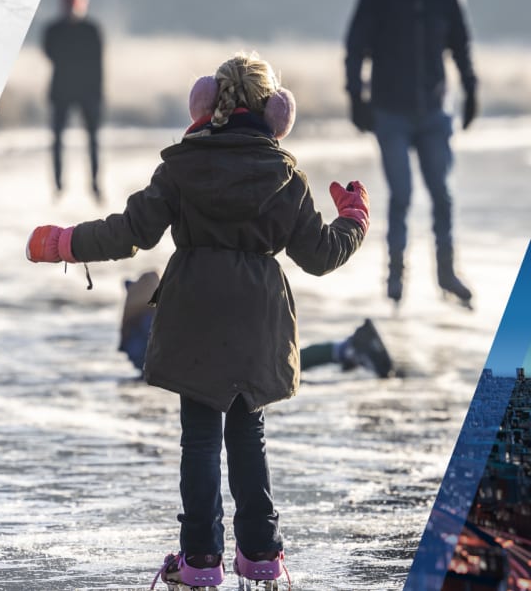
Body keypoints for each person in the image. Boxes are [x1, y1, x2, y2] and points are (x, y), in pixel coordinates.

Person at [26, 53, 369, 589]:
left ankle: (201, 559)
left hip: (195, 313)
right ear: (274, 112)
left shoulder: (182, 166)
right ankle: (261, 554)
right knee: (249, 436)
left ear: (207, 103)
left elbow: (129, 231)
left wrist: (66, 242)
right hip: (257, 318)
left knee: (201, 440)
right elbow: (321, 255)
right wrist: (354, 218)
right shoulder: (285, 175)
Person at [345, 0, 478, 308]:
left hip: (435, 112)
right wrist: (356, 97)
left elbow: (462, 45)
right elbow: (355, 48)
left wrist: (471, 88)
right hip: (390, 113)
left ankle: (446, 273)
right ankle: (395, 275)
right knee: (401, 194)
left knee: (442, 194)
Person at [120, 273, 394, 379]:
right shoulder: (151, 321)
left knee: (282, 364)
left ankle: (347, 349)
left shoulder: (144, 325)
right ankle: (346, 349)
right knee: (282, 363)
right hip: (221, 356)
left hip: (214, 365)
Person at [43, 0, 103, 201]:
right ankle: (58, 185)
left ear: (82, 4)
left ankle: (95, 184)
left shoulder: (92, 30)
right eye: (67, 4)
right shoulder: (53, 30)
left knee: (93, 140)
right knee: (57, 140)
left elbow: (98, 65)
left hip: (88, 93)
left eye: (74, 3)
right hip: (61, 92)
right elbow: (50, 53)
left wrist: (98, 94)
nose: (70, 8)